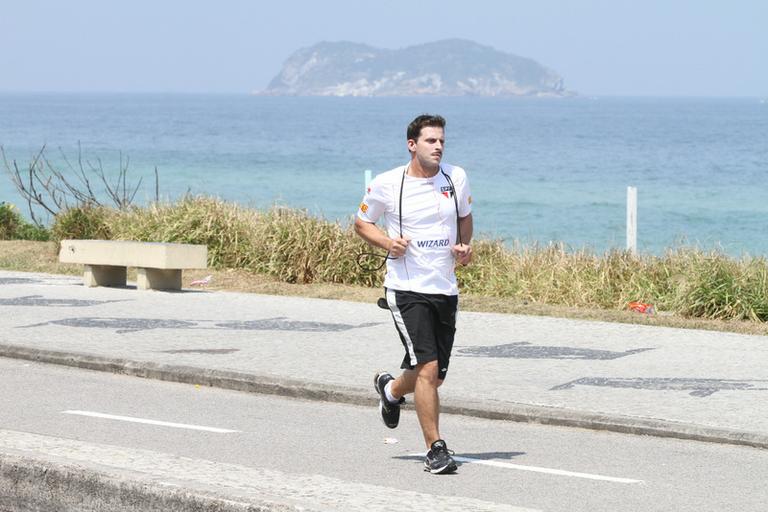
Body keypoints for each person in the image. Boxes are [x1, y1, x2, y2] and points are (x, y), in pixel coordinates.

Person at [354, 114, 473, 474]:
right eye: (430, 141)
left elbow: (465, 216)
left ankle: (390, 391)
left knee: (433, 377)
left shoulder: (457, 177)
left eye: (441, 141)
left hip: (444, 288)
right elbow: (361, 223)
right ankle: (435, 449)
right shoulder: (388, 184)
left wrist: (466, 246)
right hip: (406, 289)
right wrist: (388, 242)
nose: (438, 147)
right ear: (412, 145)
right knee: (427, 367)